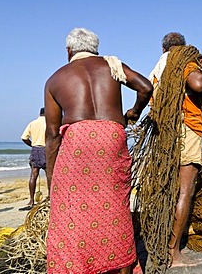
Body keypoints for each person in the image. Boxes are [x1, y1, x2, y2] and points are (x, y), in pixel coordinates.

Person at [44, 27, 153, 274]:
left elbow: (52, 134)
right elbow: (145, 87)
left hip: (78, 139)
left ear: (69, 51)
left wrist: (53, 181)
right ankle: (120, 265)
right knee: (115, 202)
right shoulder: (112, 65)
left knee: (71, 209)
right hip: (112, 136)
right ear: (96, 48)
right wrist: (133, 113)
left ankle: (78, 266)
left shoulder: (55, 78)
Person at [146, 32, 202, 268]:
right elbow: (198, 83)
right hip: (186, 127)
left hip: (164, 132)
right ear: (182, 48)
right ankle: (174, 255)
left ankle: (160, 243)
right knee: (185, 191)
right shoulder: (184, 61)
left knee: (166, 189)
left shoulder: (157, 67)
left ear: (163, 49)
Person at [20, 107, 46, 211]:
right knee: (49, 175)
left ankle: (31, 200)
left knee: (33, 175)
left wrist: (32, 145)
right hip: (46, 149)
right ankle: (50, 198)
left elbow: (24, 138)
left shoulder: (32, 123)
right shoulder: (50, 123)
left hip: (35, 149)